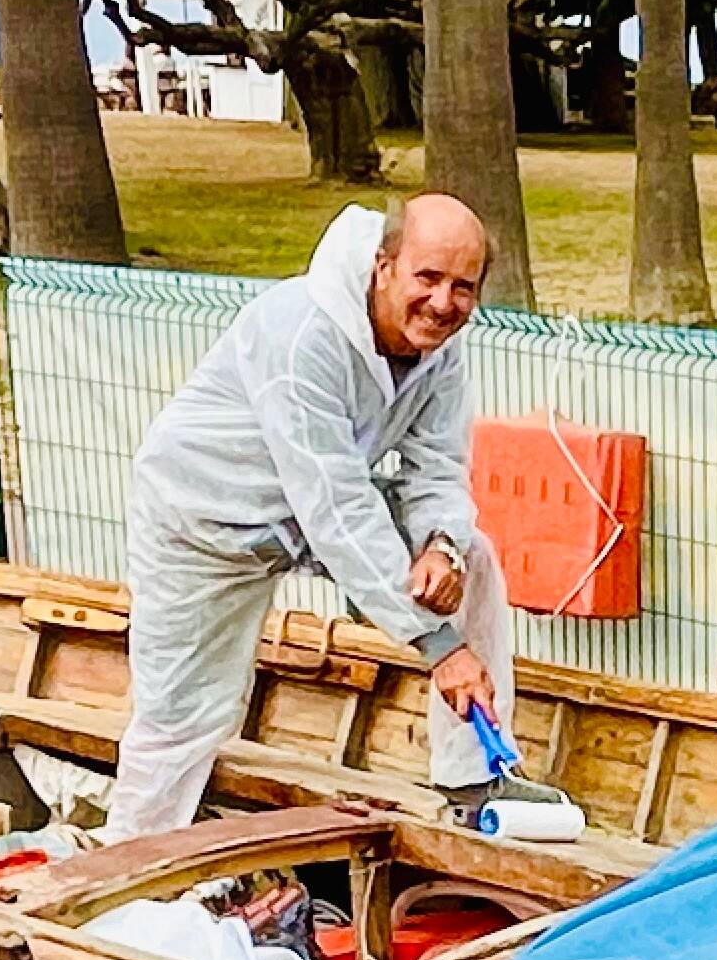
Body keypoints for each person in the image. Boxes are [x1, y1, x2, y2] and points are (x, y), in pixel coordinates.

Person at [106, 194, 515, 844]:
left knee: (477, 561)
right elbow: (334, 503)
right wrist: (438, 646)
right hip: (204, 520)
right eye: (428, 278)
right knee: (183, 717)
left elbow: (436, 465)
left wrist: (441, 546)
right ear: (384, 266)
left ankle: (472, 785)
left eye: (463, 287)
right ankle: (126, 872)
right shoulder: (302, 335)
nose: (444, 303)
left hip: (311, 509)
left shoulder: (440, 348)